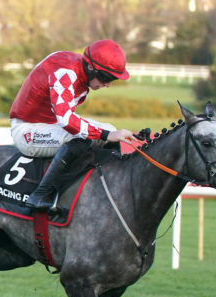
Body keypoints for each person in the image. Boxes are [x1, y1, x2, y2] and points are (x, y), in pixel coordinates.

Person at [8, 39, 136, 211]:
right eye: (106, 77)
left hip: (49, 127)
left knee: (111, 129)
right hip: (26, 130)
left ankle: (107, 187)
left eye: (112, 79)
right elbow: (66, 120)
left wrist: (110, 133)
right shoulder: (65, 71)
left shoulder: (80, 69)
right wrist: (105, 135)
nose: (107, 84)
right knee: (85, 135)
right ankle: (41, 194)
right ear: (90, 67)